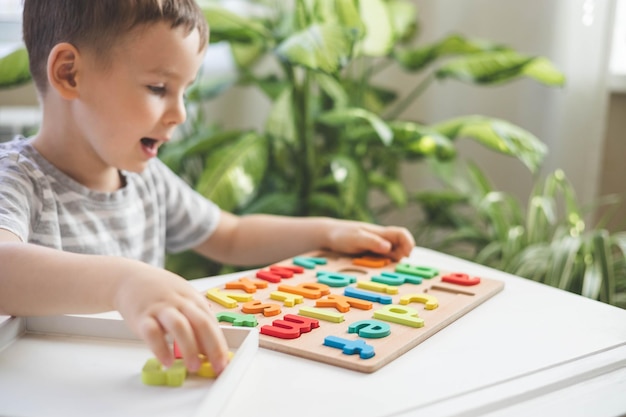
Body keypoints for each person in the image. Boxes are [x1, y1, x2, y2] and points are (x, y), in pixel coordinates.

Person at [0, 0, 415, 376]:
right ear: (70, 73)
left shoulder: (148, 178)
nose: (179, 113)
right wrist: (123, 283)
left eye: (185, 91)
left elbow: (230, 235)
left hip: (131, 382)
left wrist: (325, 232)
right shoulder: (17, 177)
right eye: (158, 88)